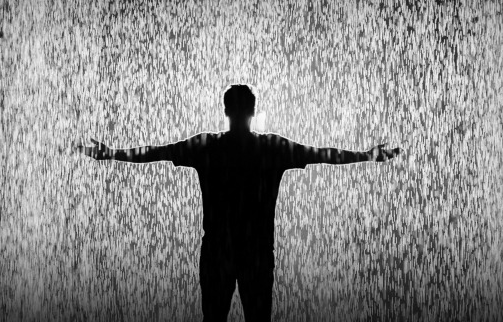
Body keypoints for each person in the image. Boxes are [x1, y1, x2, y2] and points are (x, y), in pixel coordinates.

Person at [76, 84, 401, 322]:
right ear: (253, 111)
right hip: (256, 253)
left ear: (227, 111)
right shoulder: (272, 148)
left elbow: (156, 152)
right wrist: (366, 156)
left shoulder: (207, 146)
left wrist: (113, 154)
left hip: (219, 250)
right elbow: (324, 155)